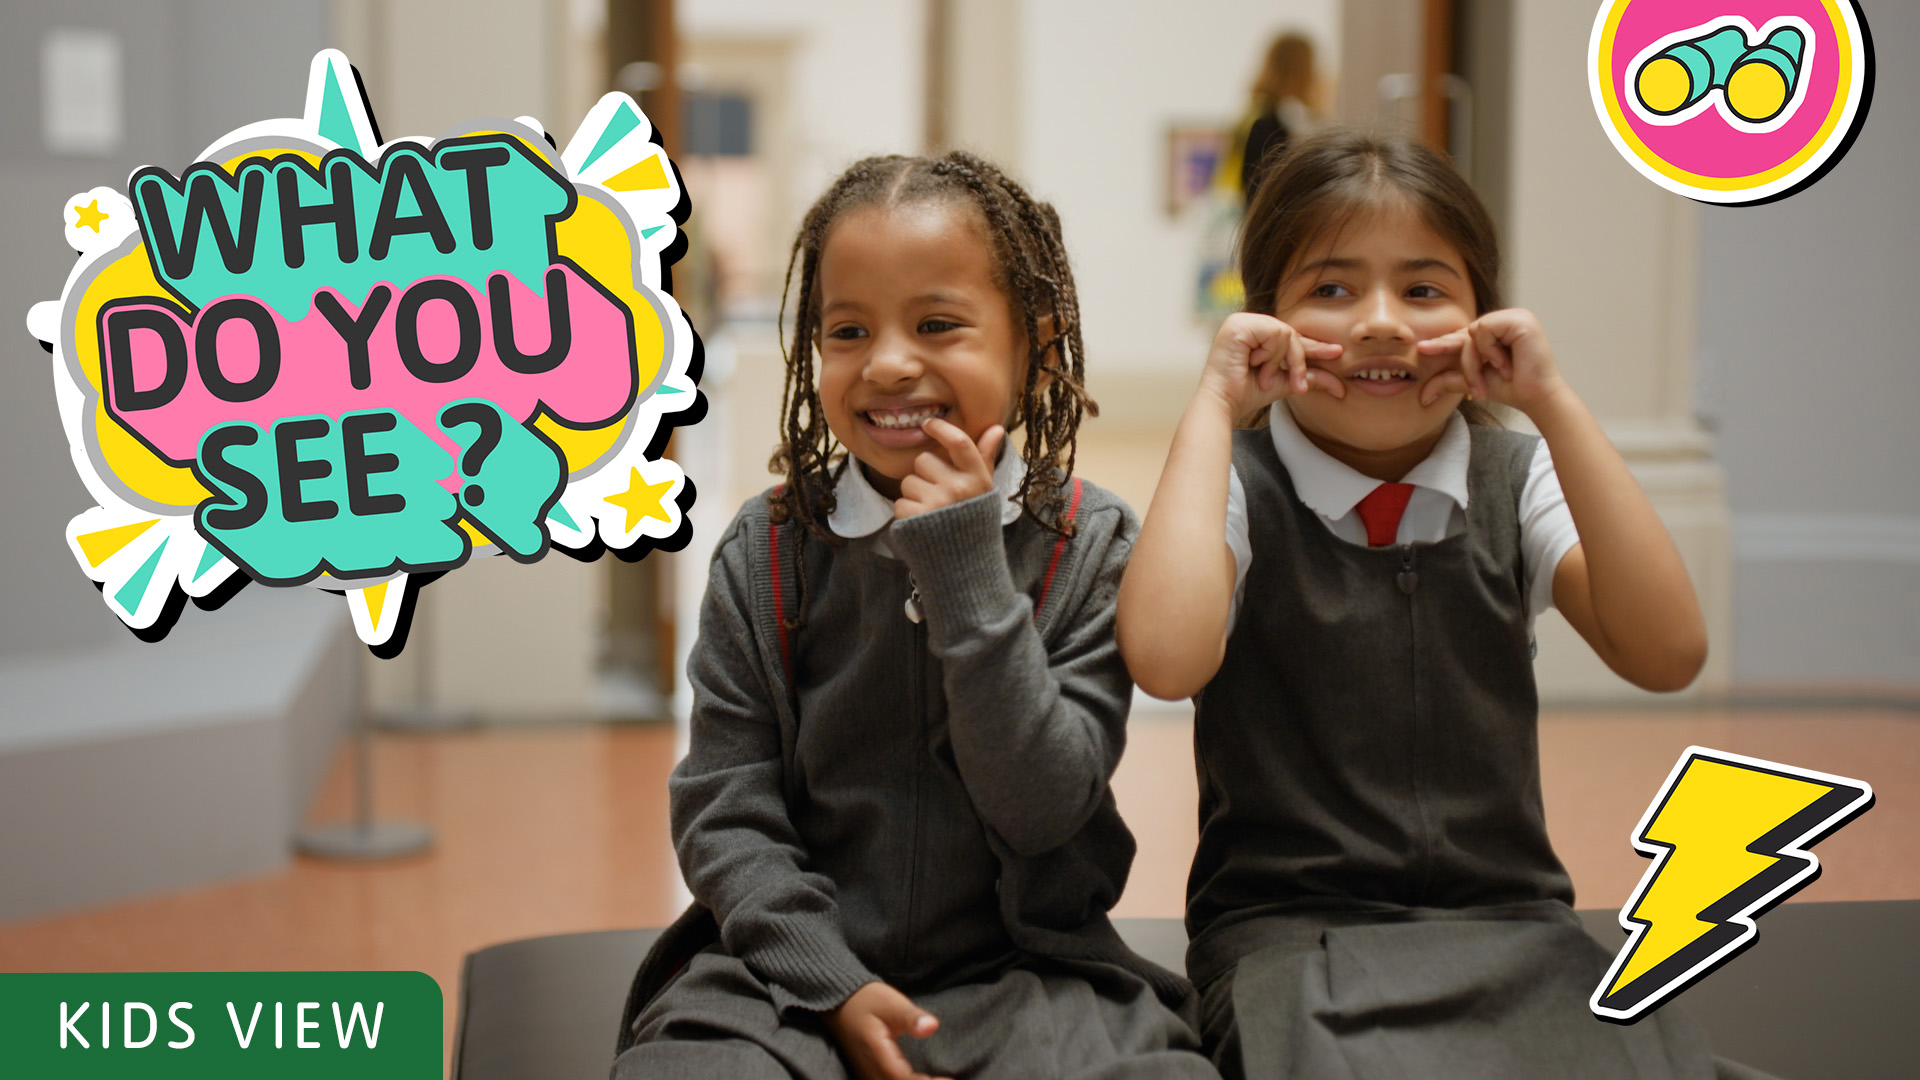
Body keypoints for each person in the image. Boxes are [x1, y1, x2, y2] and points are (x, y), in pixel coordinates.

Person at [1116, 130, 1773, 1080]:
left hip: (1514, 928)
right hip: (1289, 941)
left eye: (1423, 290)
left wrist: (1551, 400)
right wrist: (1214, 409)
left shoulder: (1515, 476)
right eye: (1331, 290)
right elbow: (1166, 660)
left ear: (1480, 322)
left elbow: (1667, 652)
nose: (1380, 323)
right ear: (1268, 324)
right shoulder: (1234, 485)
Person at [614, 151, 1218, 1080]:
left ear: (1038, 345)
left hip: (1030, 975)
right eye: (848, 331)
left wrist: (968, 569)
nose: (889, 364)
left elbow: (1046, 805)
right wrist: (830, 983)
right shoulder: (766, 548)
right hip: (790, 981)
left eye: (938, 324)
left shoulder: (1089, 545)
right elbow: (724, 808)